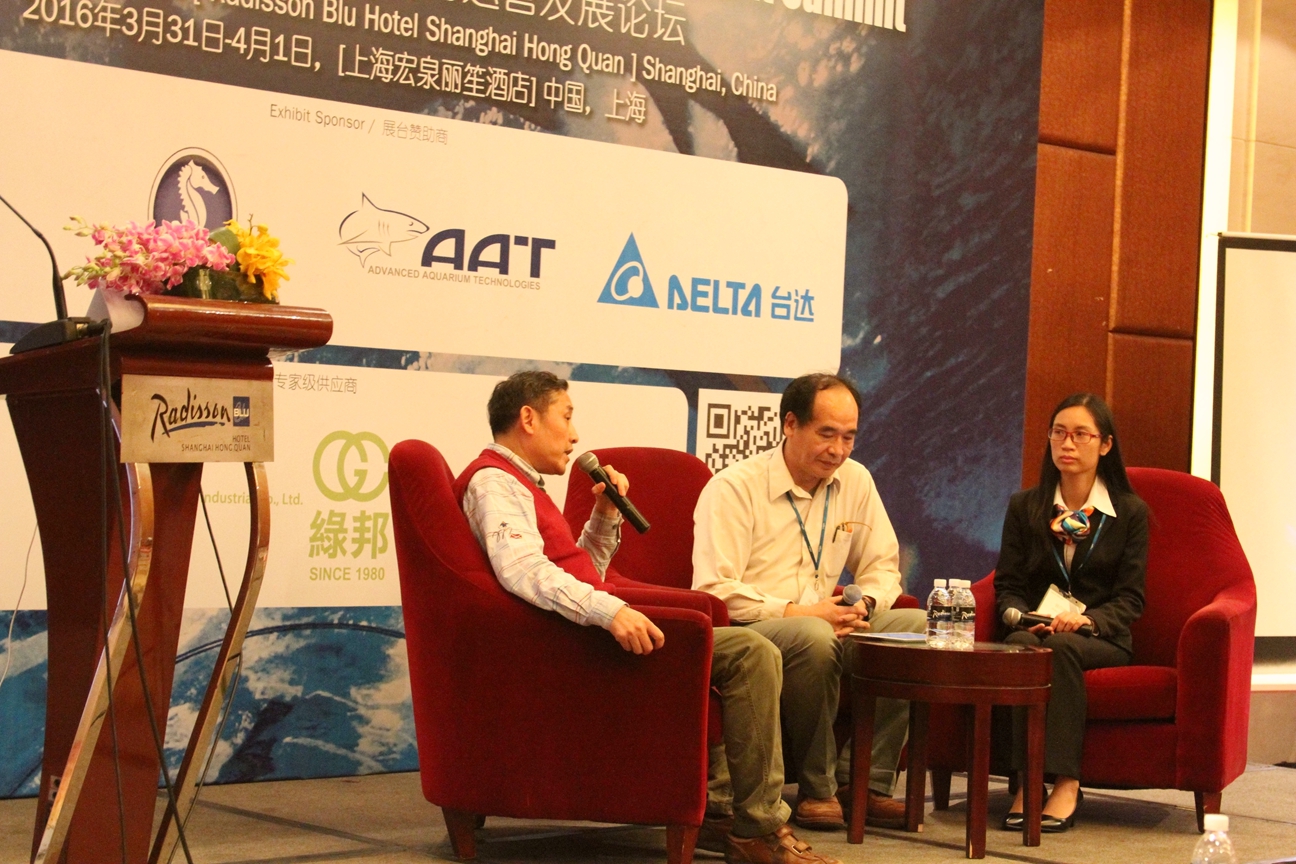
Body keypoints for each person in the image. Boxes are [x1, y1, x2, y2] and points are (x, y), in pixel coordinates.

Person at [455, 371, 841, 864]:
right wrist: (611, 610)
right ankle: (758, 828)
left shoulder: (519, 483)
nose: (575, 435)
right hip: (568, 648)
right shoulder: (494, 482)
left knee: (744, 649)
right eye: (566, 418)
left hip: (576, 634)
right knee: (750, 652)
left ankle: (724, 810)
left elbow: (580, 571)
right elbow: (524, 572)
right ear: (528, 418)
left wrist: (605, 516)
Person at [692, 372, 927, 832]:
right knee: (814, 635)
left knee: (914, 626)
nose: (838, 450)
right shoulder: (735, 487)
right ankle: (818, 788)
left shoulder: (855, 481)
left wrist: (865, 604)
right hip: (758, 628)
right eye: (826, 434)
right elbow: (716, 590)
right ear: (790, 425)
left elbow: (883, 567)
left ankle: (867, 782)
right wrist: (801, 613)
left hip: (831, 621)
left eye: (848, 437)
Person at [994, 393, 1148, 833]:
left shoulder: (1129, 513)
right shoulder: (1025, 506)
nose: (1067, 443)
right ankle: (1026, 780)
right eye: (1059, 432)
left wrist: (1088, 620)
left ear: (1105, 445)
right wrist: (1022, 617)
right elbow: (1007, 586)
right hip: (1037, 629)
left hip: (1101, 637)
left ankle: (1066, 780)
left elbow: (1131, 599)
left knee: (1061, 647)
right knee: (1020, 646)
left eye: (1081, 434)